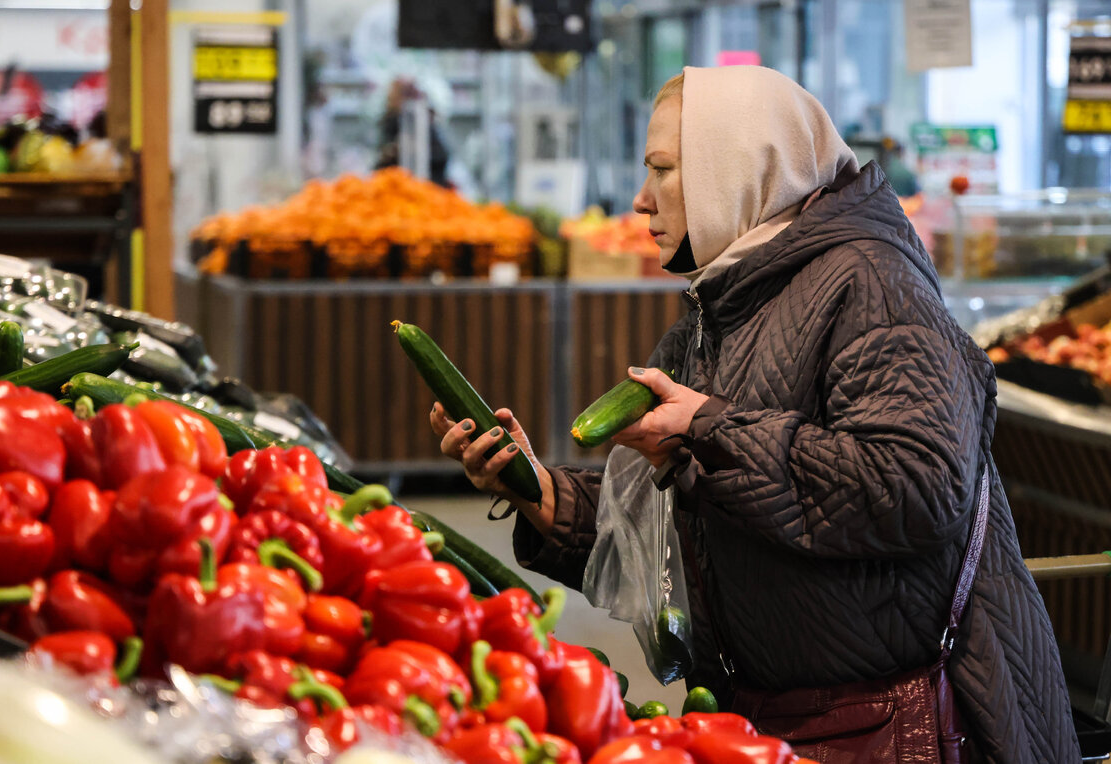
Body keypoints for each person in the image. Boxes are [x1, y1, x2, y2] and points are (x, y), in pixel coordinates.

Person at [430, 66, 1079, 763]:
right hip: (765, 725)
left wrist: (708, 431)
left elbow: (916, 487)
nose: (642, 199)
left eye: (663, 170)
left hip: (893, 729)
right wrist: (543, 493)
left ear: (737, 166)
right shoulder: (721, 305)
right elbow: (686, 527)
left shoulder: (873, 283)